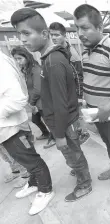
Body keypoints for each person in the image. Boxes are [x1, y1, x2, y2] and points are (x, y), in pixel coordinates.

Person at [11, 7, 92, 202]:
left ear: (44, 33)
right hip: (61, 122)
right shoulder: (48, 58)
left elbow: (60, 103)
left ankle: (85, 184)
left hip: (64, 124)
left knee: (73, 155)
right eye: (19, 33)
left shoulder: (53, 62)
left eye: (26, 33)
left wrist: (59, 135)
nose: (22, 39)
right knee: (73, 155)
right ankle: (80, 171)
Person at [73, 4, 110, 199]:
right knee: (107, 142)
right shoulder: (86, 49)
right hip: (95, 111)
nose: (80, 33)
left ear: (99, 28)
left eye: (85, 27)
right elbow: (91, 78)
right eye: (77, 28)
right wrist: (85, 100)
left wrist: (108, 106)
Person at [0, 51, 54, 215]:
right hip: (8, 125)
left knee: (30, 159)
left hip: (11, 126)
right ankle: (34, 183)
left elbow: (18, 98)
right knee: (22, 158)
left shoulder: (3, 64)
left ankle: (45, 190)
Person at [48, 22, 90, 145]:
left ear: (64, 35)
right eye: (52, 35)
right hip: (63, 89)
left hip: (73, 91)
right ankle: (75, 132)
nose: (54, 38)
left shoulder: (72, 54)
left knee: (78, 114)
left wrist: (79, 96)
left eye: (57, 35)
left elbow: (79, 76)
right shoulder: (54, 50)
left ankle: (84, 133)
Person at [10, 46, 55, 149]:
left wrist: (32, 103)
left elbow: (38, 89)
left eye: (20, 58)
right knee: (35, 120)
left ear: (27, 57)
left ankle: (53, 138)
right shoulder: (26, 69)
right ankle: (46, 133)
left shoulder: (36, 69)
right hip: (35, 101)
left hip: (42, 102)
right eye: (16, 59)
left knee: (49, 121)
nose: (18, 61)